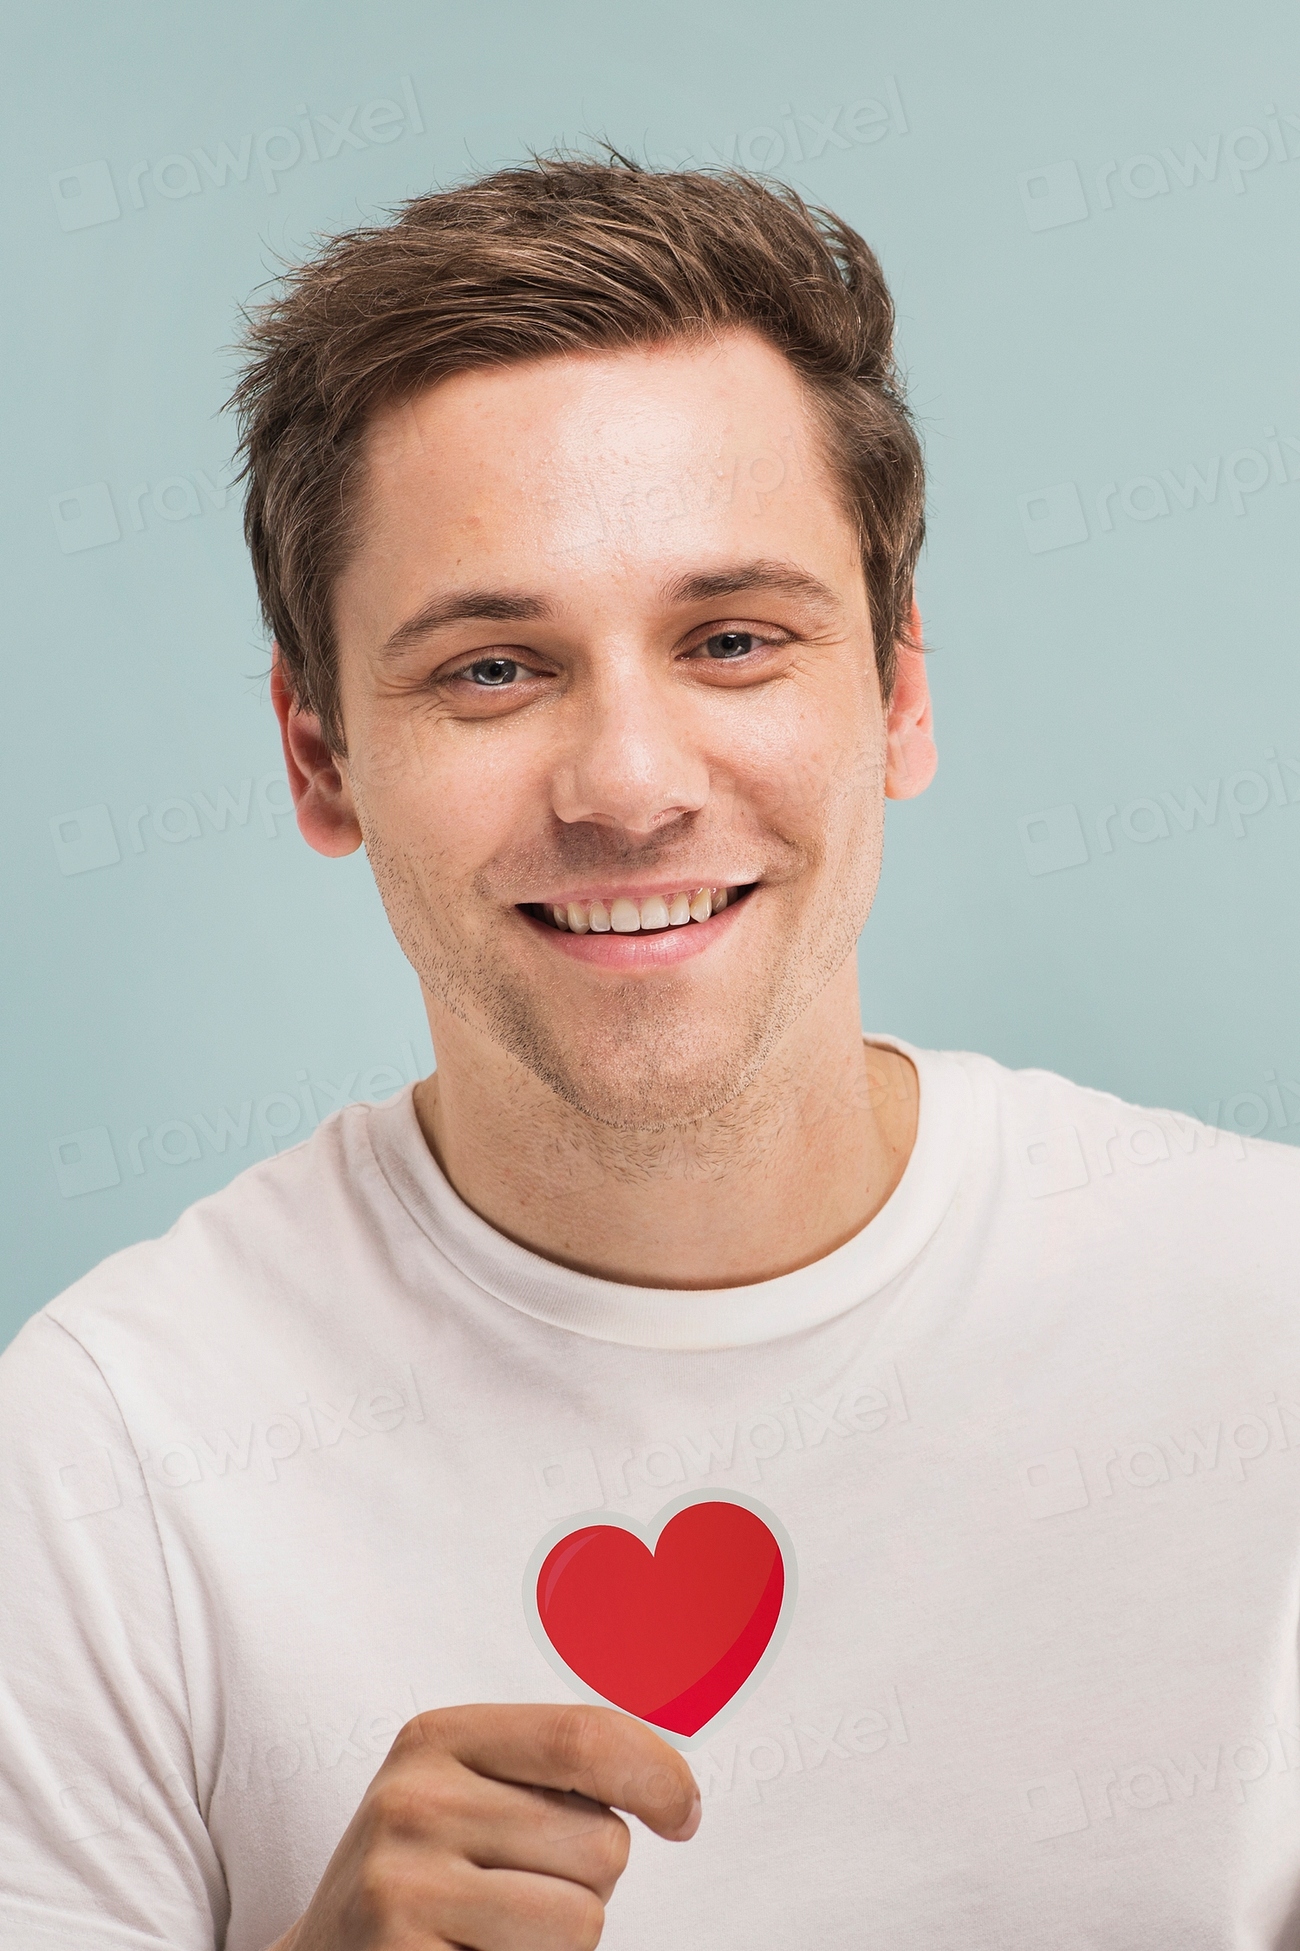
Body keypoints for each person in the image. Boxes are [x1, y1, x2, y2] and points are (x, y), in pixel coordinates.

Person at [2, 156, 1297, 1951]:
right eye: (491, 669)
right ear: (318, 756)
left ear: (901, 693)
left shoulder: (1270, 1317)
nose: (629, 784)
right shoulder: (107, 1451)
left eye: (735, 640)